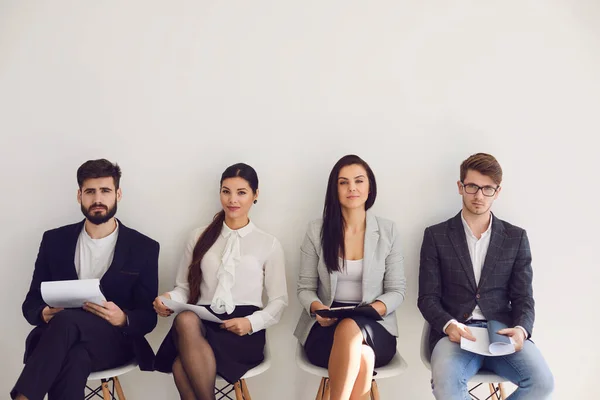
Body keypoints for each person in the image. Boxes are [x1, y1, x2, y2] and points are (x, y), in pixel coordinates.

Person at [11, 159, 160, 400]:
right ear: (79, 195)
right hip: (63, 343)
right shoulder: (54, 241)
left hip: (114, 342)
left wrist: (123, 318)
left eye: (105, 191)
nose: (97, 199)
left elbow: (148, 317)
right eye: (90, 191)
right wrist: (43, 313)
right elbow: (31, 304)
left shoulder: (143, 247)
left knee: (67, 322)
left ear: (118, 194)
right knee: (74, 356)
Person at [418, 152, 554, 399]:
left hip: (501, 335)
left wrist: (522, 330)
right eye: (472, 187)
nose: (479, 196)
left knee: (543, 383)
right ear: (460, 187)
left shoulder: (516, 238)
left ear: (497, 191)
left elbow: (524, 298)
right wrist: (449, 325)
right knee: (447, 385)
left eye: (487, 189)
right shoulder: (436, 236)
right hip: (456, 337)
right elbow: (427, 298)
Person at [153, 163, 288, 400]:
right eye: (226, 191)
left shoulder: (268, 243)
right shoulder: (198, 236)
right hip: (202, 323)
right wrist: (168, 299)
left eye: (241, 192)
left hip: (243, 330)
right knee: (185, 319)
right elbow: (183, 288)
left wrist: (251, 322)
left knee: (180, 366)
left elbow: (279, 300)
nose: (232, 199)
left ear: (255, 195)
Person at [294, 154, 406, 400]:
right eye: (343, 182)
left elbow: (397, 290)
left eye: (359, 181)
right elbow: (304, 287)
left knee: (353, 329)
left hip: (375, 326)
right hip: (325, 329)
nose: (352, 188)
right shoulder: (317, 230)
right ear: (335, 190)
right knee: (363, 356)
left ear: (370, 187)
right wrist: (317, 307)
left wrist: (375, 308)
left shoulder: (388, 231)